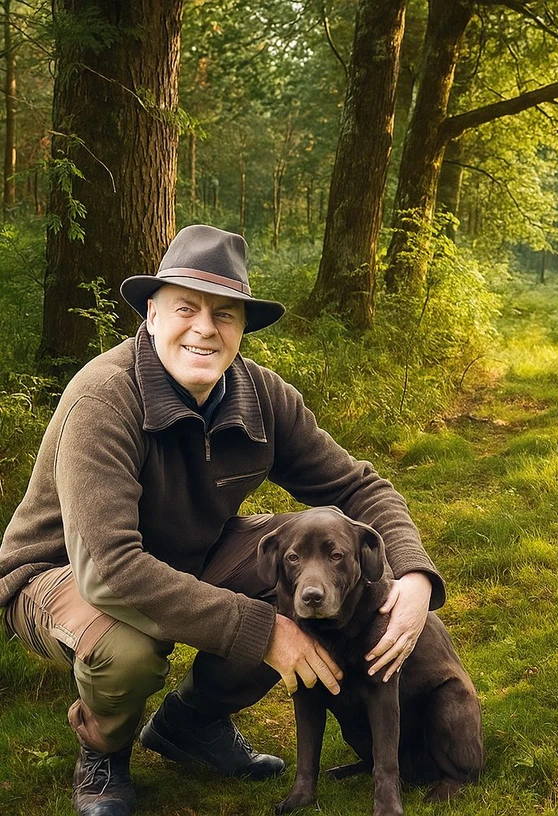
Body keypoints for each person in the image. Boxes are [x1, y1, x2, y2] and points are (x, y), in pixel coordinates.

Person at [0, 225, 444, 816]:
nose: (206, 328)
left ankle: (191, 723)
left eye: (225, 314)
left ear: (242, 328)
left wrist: (413, 575)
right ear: (152, 314)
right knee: (128, 647)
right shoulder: (104, 400)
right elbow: (109, 569)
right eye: (186, 308)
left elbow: (358, 487)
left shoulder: (261, 396)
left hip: (187, 556)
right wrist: (263, 631)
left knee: (300, 572)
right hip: (62, 575)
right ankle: (103, 752)